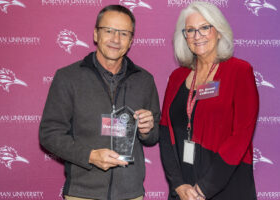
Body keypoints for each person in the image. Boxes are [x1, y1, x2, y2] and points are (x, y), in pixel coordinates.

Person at [39, 5, 160, 200]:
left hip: (131, 193)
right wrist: (90, 156)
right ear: (96, 34)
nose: (115, 39)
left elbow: (154, 136)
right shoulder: (68, 77)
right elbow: (49, 135)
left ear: (130, 41)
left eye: (123, 33)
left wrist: (147, 130)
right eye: (109, 31)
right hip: (82, 192)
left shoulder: (145, 80)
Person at [159, 2, 259, 200]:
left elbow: (241, 136)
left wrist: (203, 189)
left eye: (205, 27)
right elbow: (165, 132)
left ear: (219, 31)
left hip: (226, 187)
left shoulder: (239, 71)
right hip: (184, 190)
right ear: (184, 37)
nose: (198, 36)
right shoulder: (177, 77)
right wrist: (178, 185)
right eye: (190, 30)